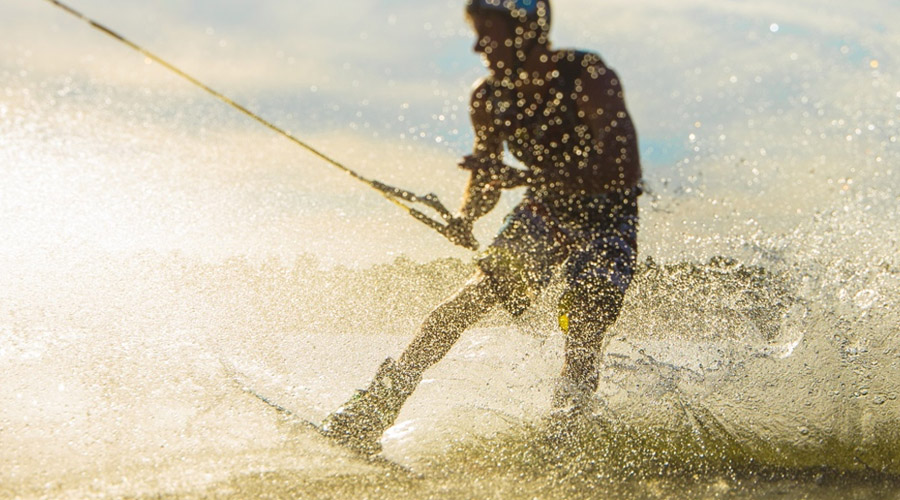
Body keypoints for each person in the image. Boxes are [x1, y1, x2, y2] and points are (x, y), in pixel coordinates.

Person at [321, 0, 642, 455]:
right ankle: (376, 405)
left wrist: (529, 178)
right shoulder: (489, 97)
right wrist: (468, 214)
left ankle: (565, 434)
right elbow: (486, 179)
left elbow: (623, 169)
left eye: (487, 33)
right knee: (472, 296)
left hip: (608, 212)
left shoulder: (586, 75)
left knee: (584, 319)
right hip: (547, 209)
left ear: (526, 31)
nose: (478, 46)